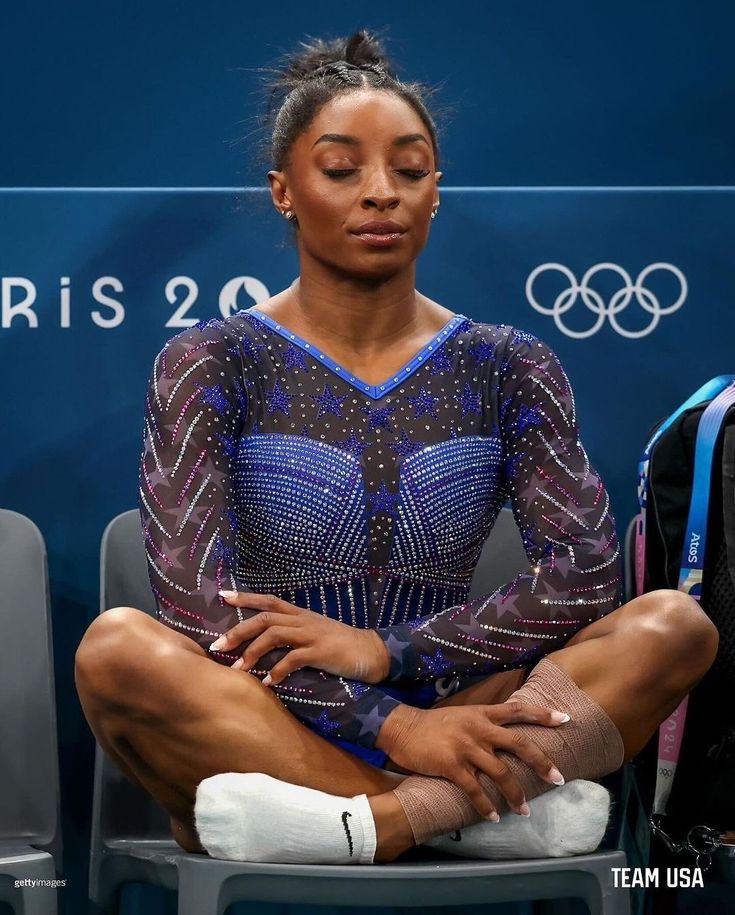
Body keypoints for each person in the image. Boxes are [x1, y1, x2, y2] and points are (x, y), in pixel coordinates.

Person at [75, 29, 719, 866]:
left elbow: (584, 579)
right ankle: (469, 817)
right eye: (341, 169)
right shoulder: (210, 362)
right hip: (276, 716)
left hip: (469, 706)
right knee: (118, 649)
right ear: (283, 190)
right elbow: (200, 613)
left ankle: (362, 827)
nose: (380, 192)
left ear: (436, 192)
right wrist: (393, 725)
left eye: (408, 170)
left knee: (673, 624)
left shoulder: (507, 364)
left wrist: (391, 654)